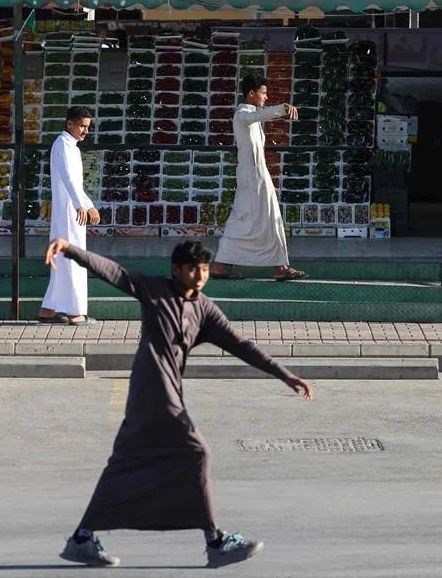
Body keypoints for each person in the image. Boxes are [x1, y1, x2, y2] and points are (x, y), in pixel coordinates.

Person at [45, 237, 314, 568]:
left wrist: (284, 374)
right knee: (197, 452)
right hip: (155, 392)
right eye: (193, 270)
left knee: (124, 465)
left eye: (204, 270)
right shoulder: (154, 290)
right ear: (176, 271)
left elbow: (240, 344)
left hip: (155, 394)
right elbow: (114, 272)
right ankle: (215, 542)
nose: (200, 277)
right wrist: (71, 250)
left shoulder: (203, 308)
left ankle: (82, 539)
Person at [210, 74, 308, 281]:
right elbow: (257, 115)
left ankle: (222, 266)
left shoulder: (252, 115)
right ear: (251, 93)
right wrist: (282, 108)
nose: (265, 96)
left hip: (256, 176)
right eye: (263, 93)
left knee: (251, 219)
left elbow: (259, 115)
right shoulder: (242, 114)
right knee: (265, 218)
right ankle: (280, 268)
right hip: (252, 178)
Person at [37, 106, 100, 325]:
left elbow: (77, 183)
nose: (85, 131)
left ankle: (48, 310)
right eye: (82, 126)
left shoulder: (72, 147)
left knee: (64, 258)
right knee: (71, 258)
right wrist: (78, 205)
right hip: (68, 212)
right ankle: (75, 313)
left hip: (73, 209)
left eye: (87, 127)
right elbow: (67, 178)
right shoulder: (62, 145)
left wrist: (89, 205)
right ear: (69, 124)